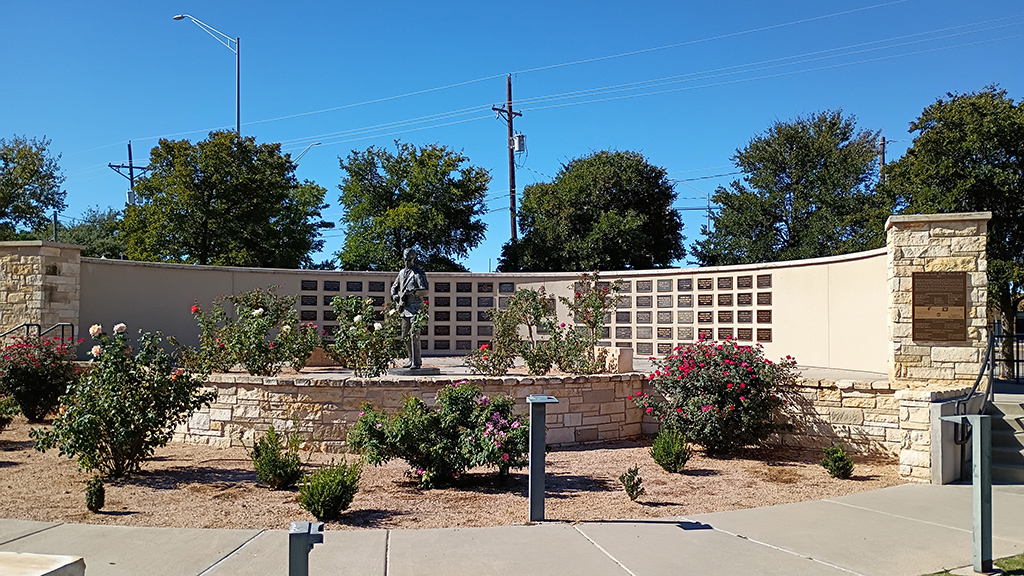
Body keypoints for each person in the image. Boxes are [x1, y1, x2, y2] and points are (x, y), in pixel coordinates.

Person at [391, 247, 429, 369]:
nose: (406, 262)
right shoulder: (401, 273)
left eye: (409, 259)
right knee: (404, 335)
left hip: (415, 308)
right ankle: (410, 359)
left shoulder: (418, 273)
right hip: (404, 308)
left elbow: (425, 290)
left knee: (414, 335)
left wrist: (412, 292)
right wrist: (395, 296)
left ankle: (416, 362)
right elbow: (394, 287)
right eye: (405, 259)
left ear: (414, 259)